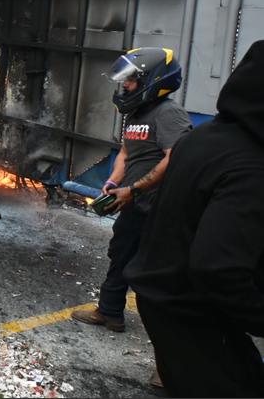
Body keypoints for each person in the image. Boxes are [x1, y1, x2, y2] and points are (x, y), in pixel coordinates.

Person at [126, 40, 264, 397]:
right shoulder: (250, 165)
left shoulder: (202, 139)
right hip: (191, 310)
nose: (125, 86)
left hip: (161, 295)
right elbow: (218, 268)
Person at [70, 48, 191, 338]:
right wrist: (113, 182)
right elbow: (126, 151)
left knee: (155, 276)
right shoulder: (137, 113)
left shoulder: (169, 114)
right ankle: (110, 312)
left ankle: (170, 353)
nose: (124, 85)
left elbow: (175, 157)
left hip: (159, 208)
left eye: (131, 80)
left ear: (154, 80)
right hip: (134, 203)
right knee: (120, 255)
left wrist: (134, 188)